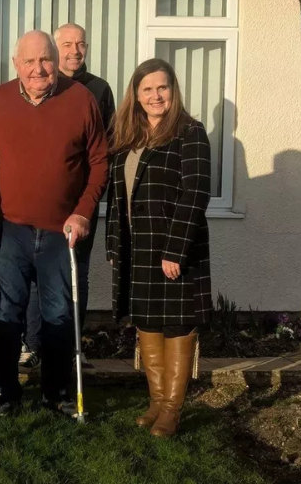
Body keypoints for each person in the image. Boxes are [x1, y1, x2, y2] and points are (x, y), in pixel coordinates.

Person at [0, 30, 108, 418]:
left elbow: (100, 162)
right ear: (16, 64)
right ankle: (4, 393)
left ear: (56, 61)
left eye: (46, 60)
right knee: (6, 315)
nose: (39, 69)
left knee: (58, 316)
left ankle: (56, 394)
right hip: (10, 231)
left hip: (61, 231)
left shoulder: (81, 99)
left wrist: (83, 212)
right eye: (30, 61)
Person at [105, 58, 211, 438]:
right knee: (147, 324)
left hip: (173, 251)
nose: (155, 96)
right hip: (137, 249)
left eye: (162, 88)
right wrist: (115, 244)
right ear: (136, 94)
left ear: (173, 90)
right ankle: (155, 400)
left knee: (178, 325)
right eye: (147, 89)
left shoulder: (190, 132)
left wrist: (176, 250)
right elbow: (118, 198)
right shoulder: (128, 136)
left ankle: (172, 409)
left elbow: (195, 193)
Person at [20, 23, 116, 370]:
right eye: (67, 44)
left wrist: (90, 204)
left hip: (79, 209)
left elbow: (103, 152)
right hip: (37, 211)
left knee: (77, 278)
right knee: (34, 279)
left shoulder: (99, 90)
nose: (75, 50)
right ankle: (32, 344)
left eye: (81, 44)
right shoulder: (35, 88)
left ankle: (74, 347)